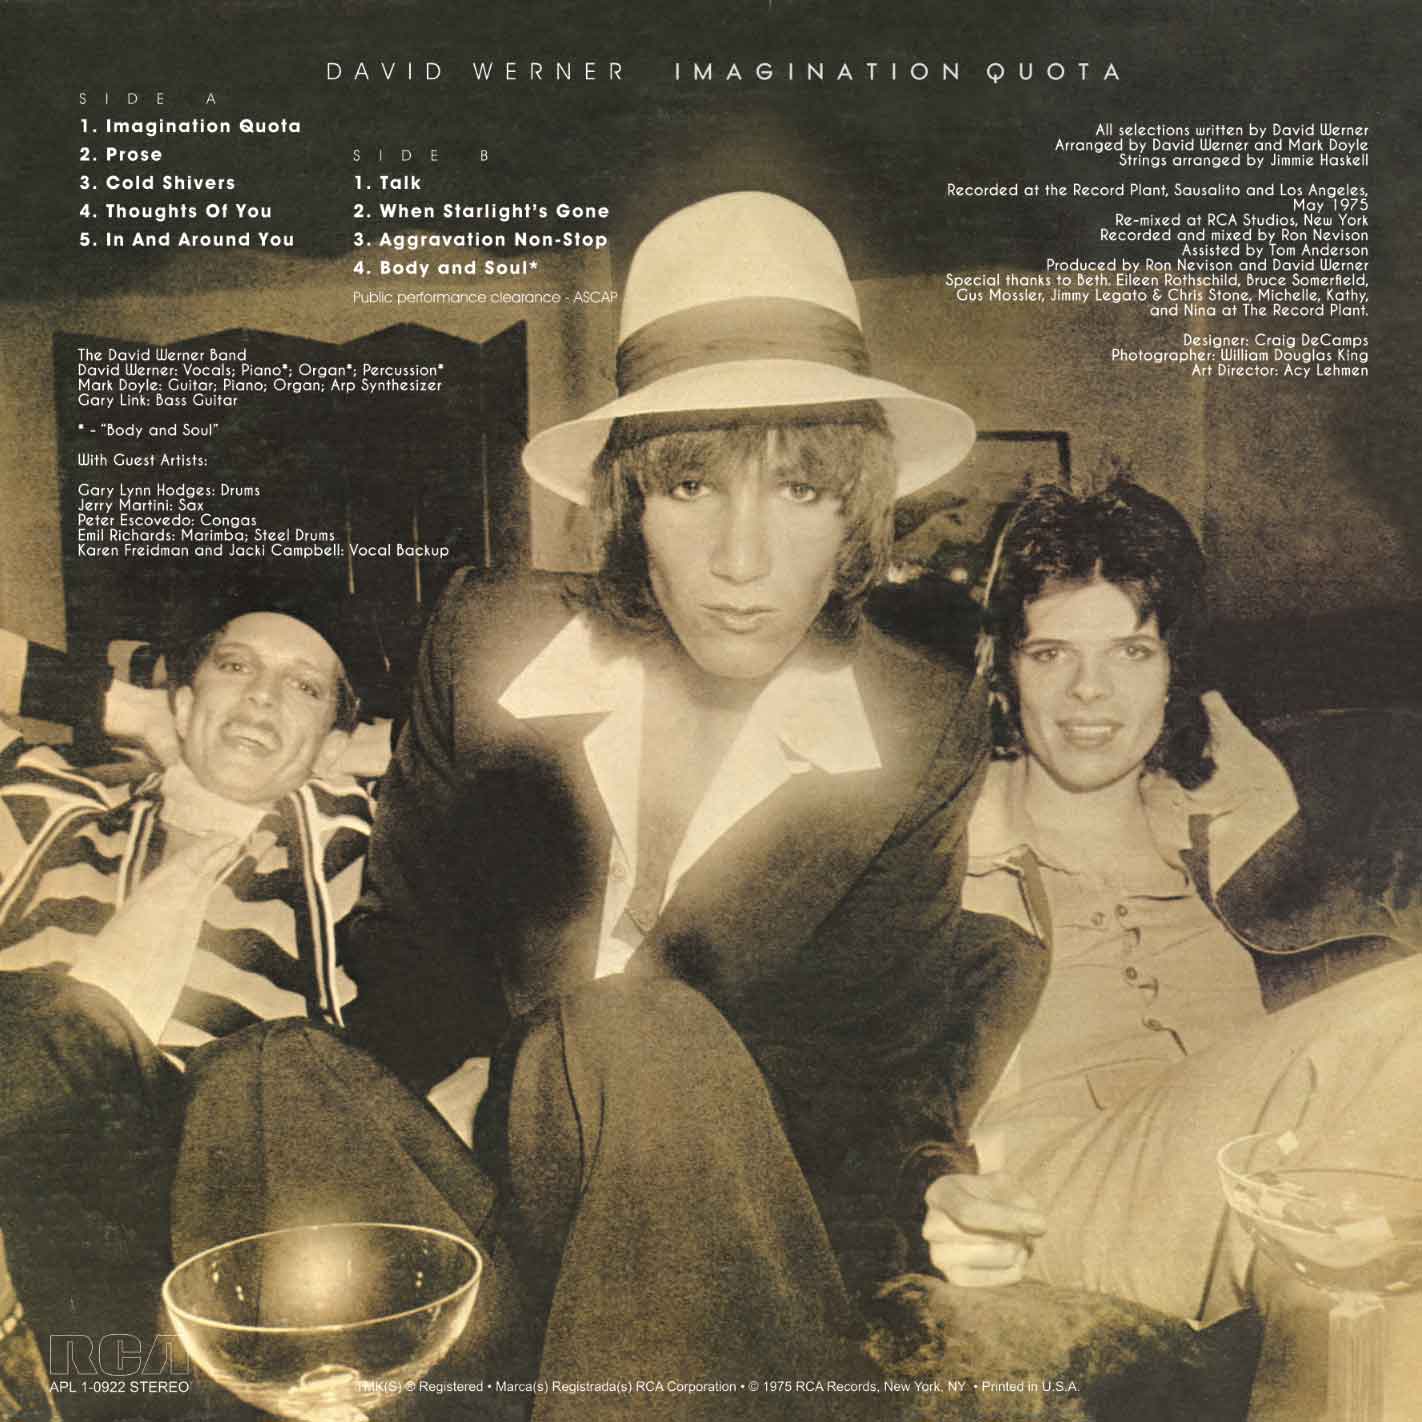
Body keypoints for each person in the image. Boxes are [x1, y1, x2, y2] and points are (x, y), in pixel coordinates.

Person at [176, 192, 1044, 1417]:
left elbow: (876, 1063)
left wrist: (932, 1185)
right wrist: (486, 1098)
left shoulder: (919, 718)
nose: (742, 559)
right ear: (632, 504)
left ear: (856, 510)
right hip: (488, 1233)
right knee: (261, 1076)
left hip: (722, 1261)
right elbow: (406, 952)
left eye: (799, 493)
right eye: (693, 487)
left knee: (628, 1030)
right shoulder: (490, 640)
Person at [923, 481, 1422, 1415]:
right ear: (1004, 672)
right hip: (1056, 1193)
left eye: (1132, 652)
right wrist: (939, 1187)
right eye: (1051, 653)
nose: (1090, 691)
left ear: (1172, 669)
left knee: (1373, 1258)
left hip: (1248, 1181)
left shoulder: (1237, 829)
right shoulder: (937, 848)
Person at [0, 608, 374, 1410]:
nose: (262, 696)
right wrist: (127, 708)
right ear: (183, 699)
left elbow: (480, 737)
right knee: (34, 1018)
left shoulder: (350, 841)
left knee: (54, 1022)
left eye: (303, 688)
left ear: (334, 747)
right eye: (235, 668)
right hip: (23, 1132)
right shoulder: (54, 808)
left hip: (211, 1181)